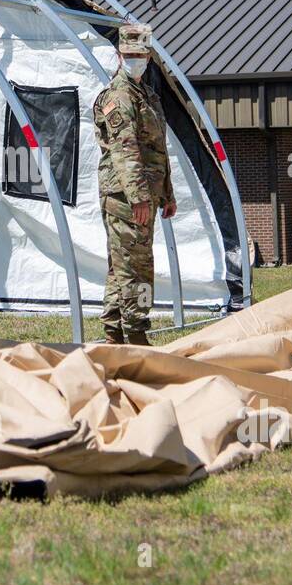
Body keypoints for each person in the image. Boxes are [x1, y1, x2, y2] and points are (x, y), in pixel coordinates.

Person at [93, 22, 175, 346]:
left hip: (144, 195)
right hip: (126, 197)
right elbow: (125, 150)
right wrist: (140, 197)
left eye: (140, 54)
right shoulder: (120, 96)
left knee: (122, 266)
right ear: (118, 55)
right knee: (137, 267)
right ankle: (137, 332)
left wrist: (166, 194)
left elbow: (158, 150)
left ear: (148, 56)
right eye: (129, 54)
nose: (135, 59)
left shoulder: (148, 95)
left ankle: (113, 333)